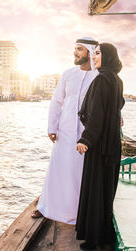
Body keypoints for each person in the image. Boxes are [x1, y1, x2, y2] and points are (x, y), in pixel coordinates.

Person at [31, 37, 99, 225]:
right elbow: (56, 101)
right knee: (58, 168)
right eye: (75, 49)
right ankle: (47, 207)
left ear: (90, 52)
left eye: (79, 49)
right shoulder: (68, 74)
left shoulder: (99, 76)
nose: (75, 53)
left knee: (81, 171)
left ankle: (80, 212)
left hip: (88, 133)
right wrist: (52, 126)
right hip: (65, 129)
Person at [75, 43, 125, 250]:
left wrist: (85, 139)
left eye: (98, 53)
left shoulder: (102, 80)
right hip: (112, 143)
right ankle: (103, 234)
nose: (94, 57)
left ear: (108, 56)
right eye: (93, 53)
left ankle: (93, 239)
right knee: (105, 191)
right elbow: (118, 104)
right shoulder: (116, 79)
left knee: (95, 190)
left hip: (99, 145)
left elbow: (96, 114)